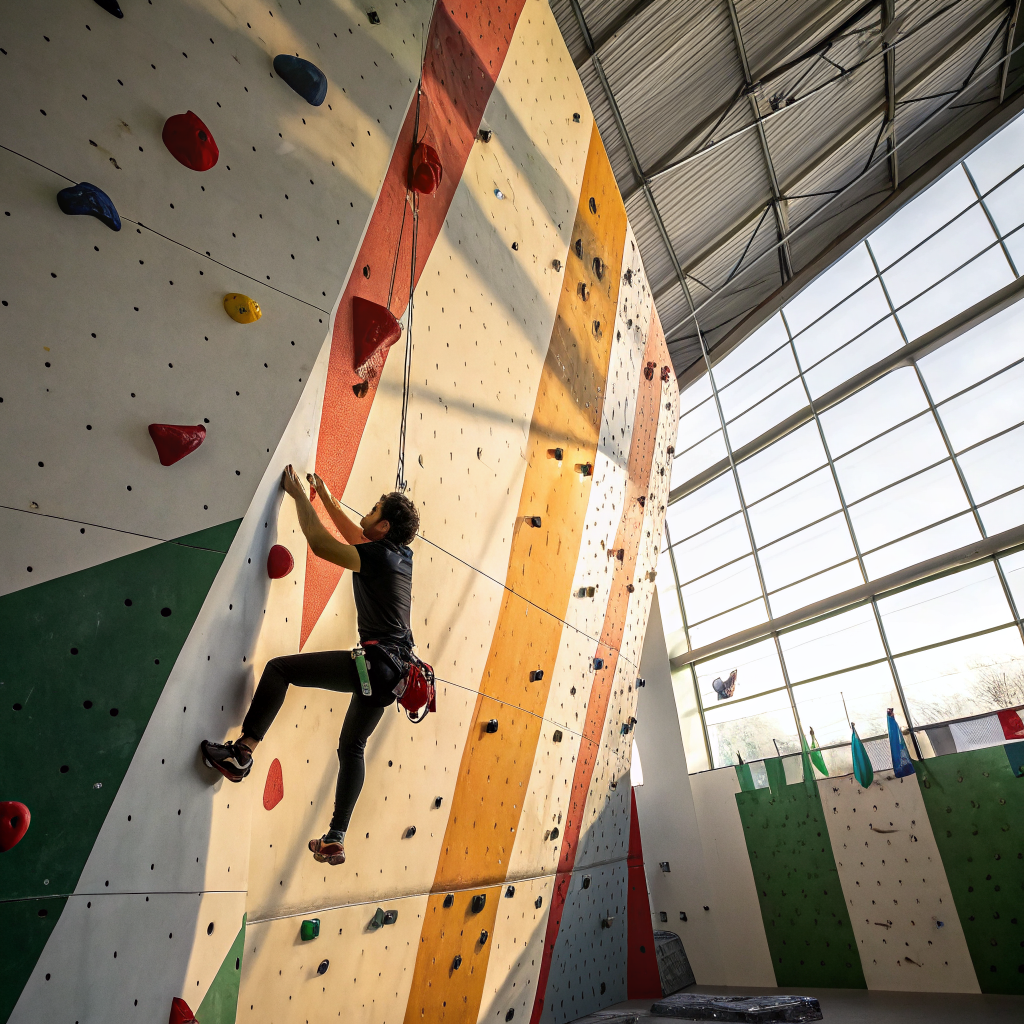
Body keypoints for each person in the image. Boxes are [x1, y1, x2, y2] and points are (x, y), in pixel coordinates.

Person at [200, 464, 420, 866]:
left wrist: (299, 495)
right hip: (397, 676)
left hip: (375, 664)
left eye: (373, 510)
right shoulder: (399, 556)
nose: (365, 514)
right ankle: (336, 836)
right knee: (352, 746)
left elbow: (320, 544)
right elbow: (355, 533)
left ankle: (242, 753)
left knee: (281, 670)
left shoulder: (379, 557)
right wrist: (326, 494)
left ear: (385, 527)